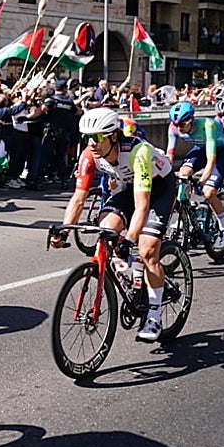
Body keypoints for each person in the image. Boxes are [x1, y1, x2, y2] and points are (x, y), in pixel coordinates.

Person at [53, 107, 177, 342]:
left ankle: (154, 314)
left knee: (147, 249)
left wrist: (130, 239)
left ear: (112, 135)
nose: (91, 143)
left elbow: (142, 206)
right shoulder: (89, 155)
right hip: (128, 187)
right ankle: (131, 273)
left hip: (159, 188)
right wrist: (64, 230)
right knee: (107, 227)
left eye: (97, 137)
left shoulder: (137, 152)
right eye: (86, 138)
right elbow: (79, 198)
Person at [165, 100, 224, 250]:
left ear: (191, 120)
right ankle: (186, 210)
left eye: (182, 125)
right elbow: (169, 155)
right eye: (176, 125)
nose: (178, 128)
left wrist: (202, 181)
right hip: (200, 148)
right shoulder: (174, 127)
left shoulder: (207, 125)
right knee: (183, 173)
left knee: (208, 192)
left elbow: (211, 160)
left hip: (221, 152)